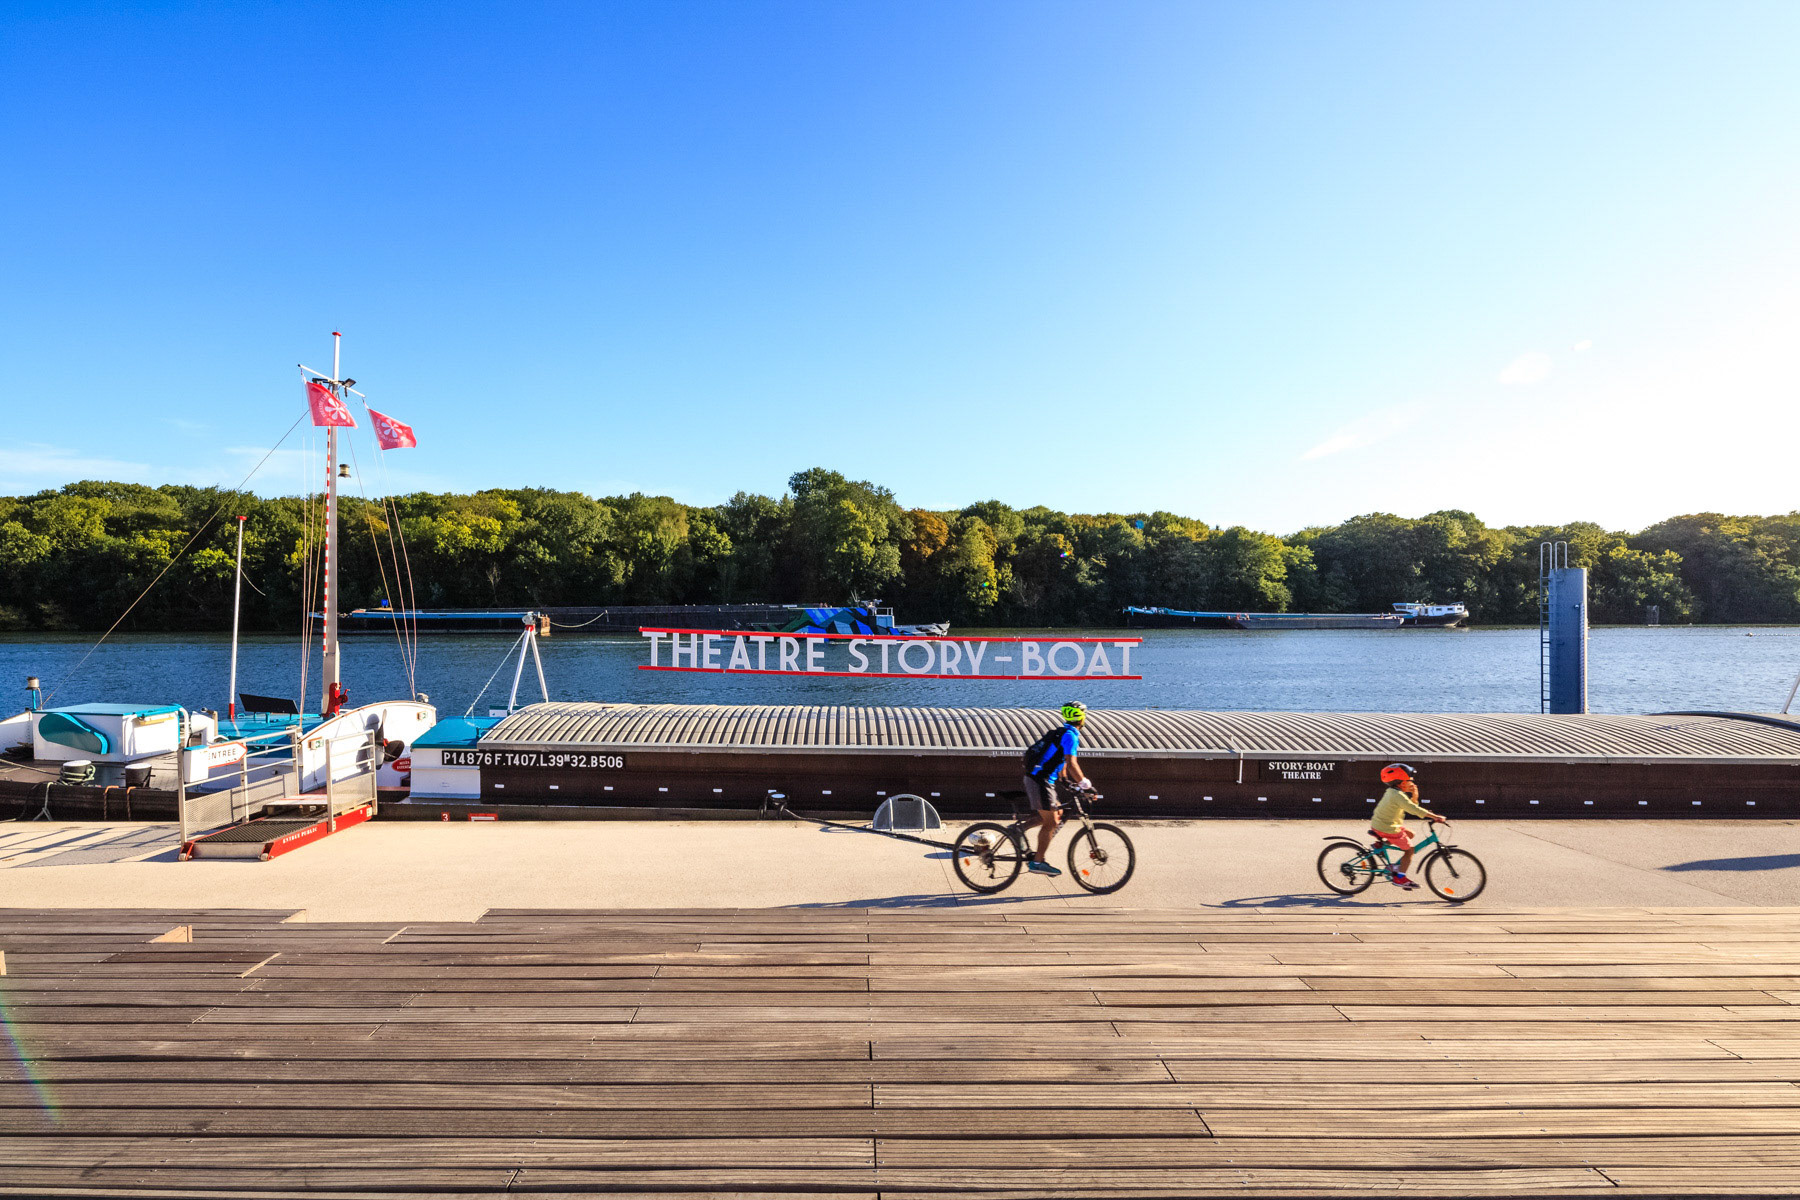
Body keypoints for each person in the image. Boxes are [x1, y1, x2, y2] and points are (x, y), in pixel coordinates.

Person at [1019, 700, 1093, 876]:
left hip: (1040, 779)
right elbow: (1071, 762)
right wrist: (1085, 783)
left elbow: (1060, 762)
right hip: (1041, 780)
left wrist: (1066, 781)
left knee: (1056, 814)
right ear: (1082, 718)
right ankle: (1037, 862)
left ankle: (1017, 831)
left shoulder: (1062, 733)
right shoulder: (1071, 736)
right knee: (1051, 822)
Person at [1371, 762, 1446, 890]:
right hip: (1388, 828)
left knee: (1411, 834)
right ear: (1401, 782)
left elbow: (1411, 806)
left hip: (1384, 825)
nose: (1412, 783)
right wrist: (1435, 817)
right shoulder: (1398, 795)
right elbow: (1414, 810)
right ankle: (1400, 878)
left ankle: (1382, 846)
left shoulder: (1393, 792)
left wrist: (1415, 795)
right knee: (1410, 850)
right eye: (1409, 781)